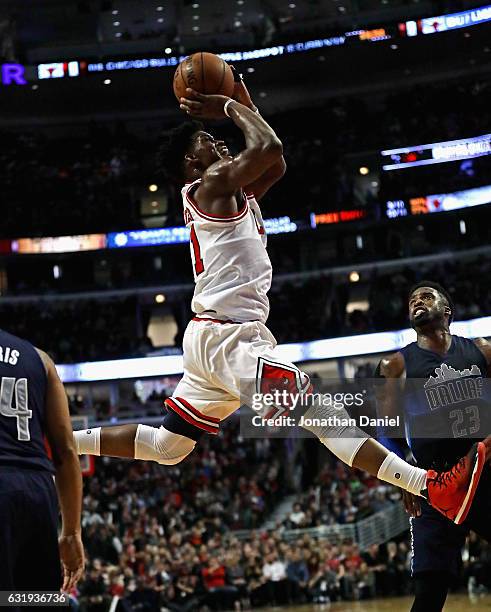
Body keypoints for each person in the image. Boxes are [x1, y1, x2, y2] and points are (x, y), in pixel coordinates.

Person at [73, 71, 489, 525]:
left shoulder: (227, 191)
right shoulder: (211, 183)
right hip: (229, 339)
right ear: (193, 163)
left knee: (167, 448)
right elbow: (266, 148)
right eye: (207, 141)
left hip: (212, 339)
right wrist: (229, 107)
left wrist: (241, 97)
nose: (218, 143)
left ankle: (61, 439)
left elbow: (277, 162)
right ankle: (427, 485)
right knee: (322, 413)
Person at [375, 281, 491, 612]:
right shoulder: (394, 366)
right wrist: (403, 476)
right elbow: (387, 431)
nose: (417, 302)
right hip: (434, 482)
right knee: (431, 589)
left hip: (483, 469)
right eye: (412, 300)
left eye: (426, 297)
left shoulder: (481, 351)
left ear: (447, 312)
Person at [0, 327, 85, 593]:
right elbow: (66, 452)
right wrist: (71, 532)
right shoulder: (39, 358)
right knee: (39, 600)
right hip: (37, 491)